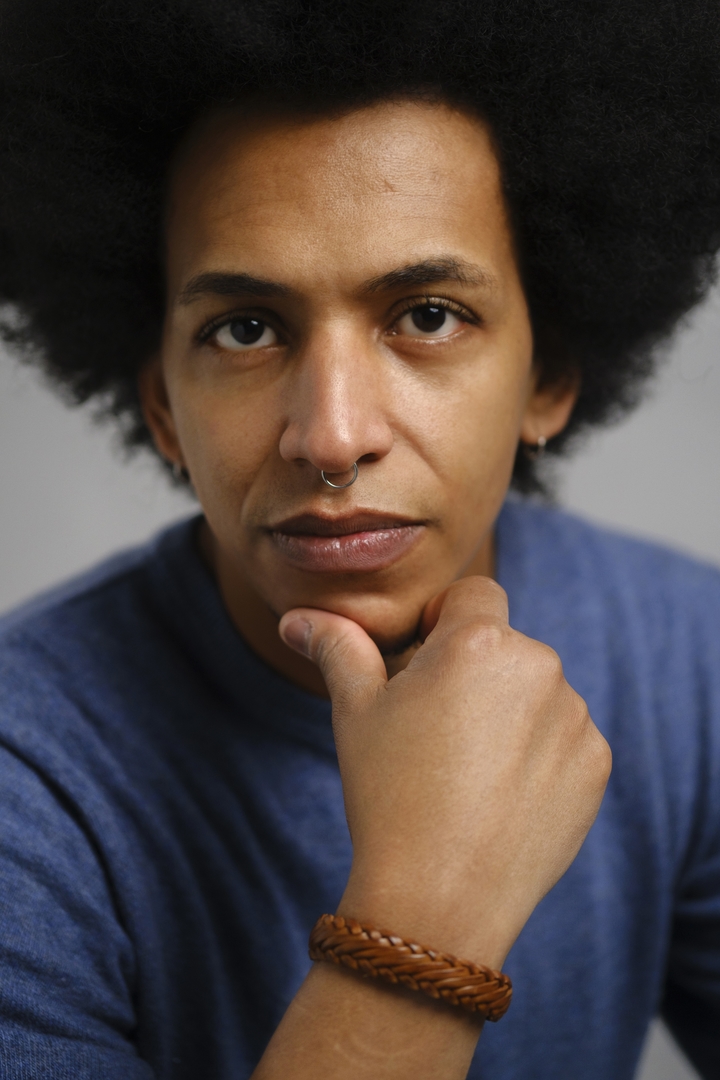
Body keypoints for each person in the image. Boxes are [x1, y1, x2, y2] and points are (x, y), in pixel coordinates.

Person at [0, 1, 719, 1077]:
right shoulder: (24, 778)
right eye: (246, 330)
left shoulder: (691, 660)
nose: (332, 438)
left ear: (549, 377)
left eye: (426, 315)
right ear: (162, 410)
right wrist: (427, 909)